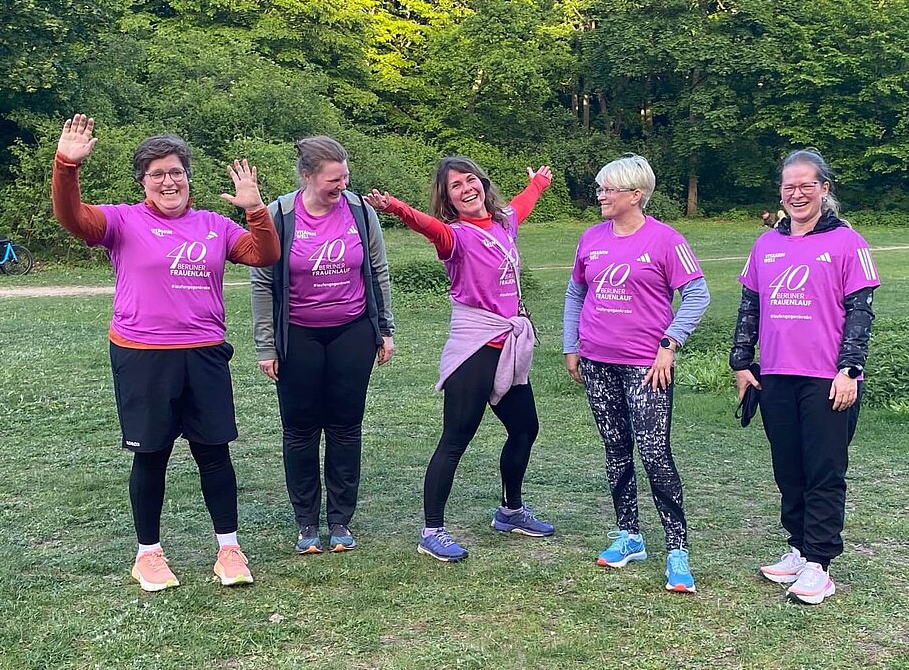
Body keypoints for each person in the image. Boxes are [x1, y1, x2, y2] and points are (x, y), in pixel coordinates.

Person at [51, 114, 280, 592]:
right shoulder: (123, 220)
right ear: (143, 182)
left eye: (176, 171)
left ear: (188, 176)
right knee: (150, 455)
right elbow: (73, 218)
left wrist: (256, 209)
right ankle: (148, 555)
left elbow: (265, 255)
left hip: (204, 354)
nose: (168, 180)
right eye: (157, 173)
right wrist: (66, 167)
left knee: (214, 453)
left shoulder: (215, 225)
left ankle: (228, 548)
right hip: (143, 355)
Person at [365, 157, 555, 562]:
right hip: (474, 350)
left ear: (483, 184)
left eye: (471, 180)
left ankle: (510, 512)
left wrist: (538, 182)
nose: (466, 189)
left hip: (509, 346)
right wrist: (395, 207)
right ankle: (431, 530)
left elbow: (524, 202)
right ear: (447, 198)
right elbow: (426, 225)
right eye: (455, 186)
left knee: (525, 429)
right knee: (455, 441)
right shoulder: (454, 236)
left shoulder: (504, 222)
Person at [730, 148, 879, 605]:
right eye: (789, 186)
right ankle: (797, 548)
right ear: (781, 192)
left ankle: (819, 563)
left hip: (827, 378)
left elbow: (860, 312)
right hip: (776, 375)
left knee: (824, 471)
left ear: (824, 189)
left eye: (806, 185)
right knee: (788, 468)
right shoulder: (766, 244)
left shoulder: (847, 243)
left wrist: (850, 369)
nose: (797, 193)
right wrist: (741, 362)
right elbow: (749, 307)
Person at [562, 154, 709, 593]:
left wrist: (669, 344)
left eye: (608, 189)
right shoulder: (591, 238)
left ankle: (677, 550)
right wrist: (572, 345)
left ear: (635, 195)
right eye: (600, 189)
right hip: (596, 361)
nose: (601, 196)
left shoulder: (665, 240)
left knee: (654, 454)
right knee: (616, 449)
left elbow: (697, 295)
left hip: (646, 367)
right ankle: (629, 536)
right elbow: (576, 292)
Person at [250, 136, 395, 555]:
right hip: (298, 335)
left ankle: (341, 520)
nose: (341, 186)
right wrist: (267, 345)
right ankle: (307, 524)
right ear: (307, 176)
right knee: (300, 429)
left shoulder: (360, 211)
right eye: (333, 179)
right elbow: (262, 283)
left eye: (345, 177)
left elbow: (378, 270)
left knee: (346, 427)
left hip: (351, 331)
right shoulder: (279, 215)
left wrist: (384, 329)